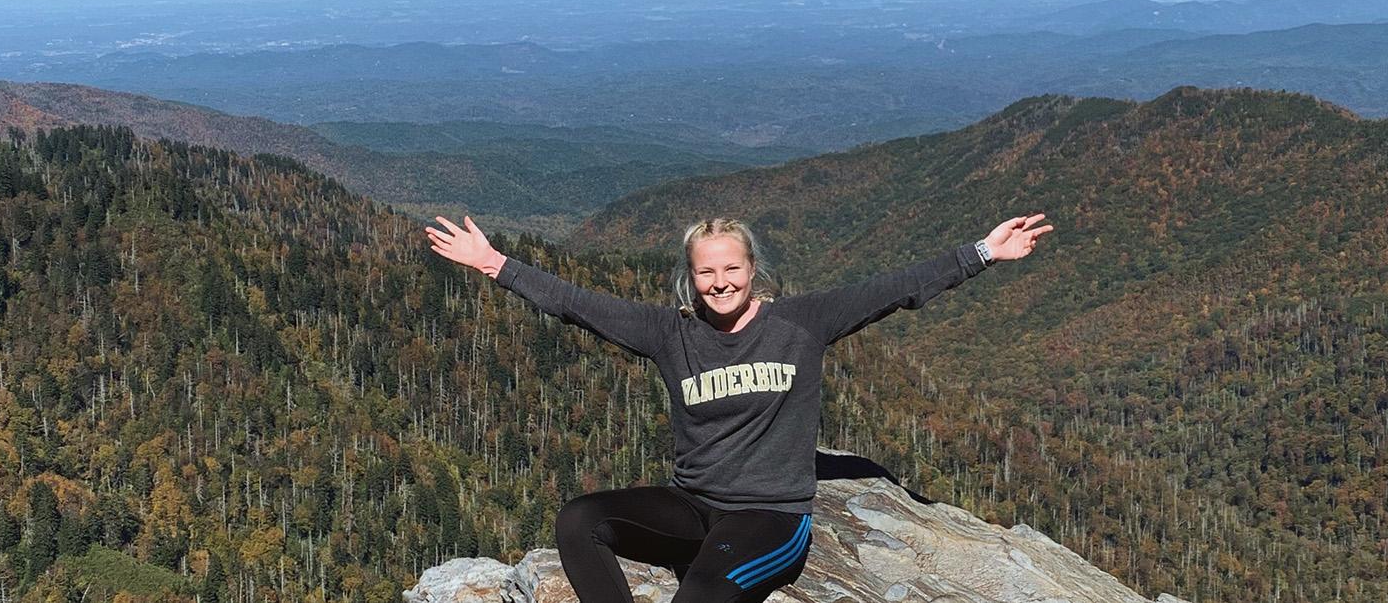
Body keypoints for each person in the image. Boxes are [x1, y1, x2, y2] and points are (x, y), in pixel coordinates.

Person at [424, 214, 1053, 603]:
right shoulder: (671, 334)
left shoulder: (802, 323)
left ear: (753, 269)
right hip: (693, 505)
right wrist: (494, 264)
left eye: (731, 268)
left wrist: (982, 254)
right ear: (689, 278)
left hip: (770, 518)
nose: (720, 282)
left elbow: (894, 289)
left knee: (698, 595)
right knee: (579, 519)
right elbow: (576, 304)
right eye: (706, 273)